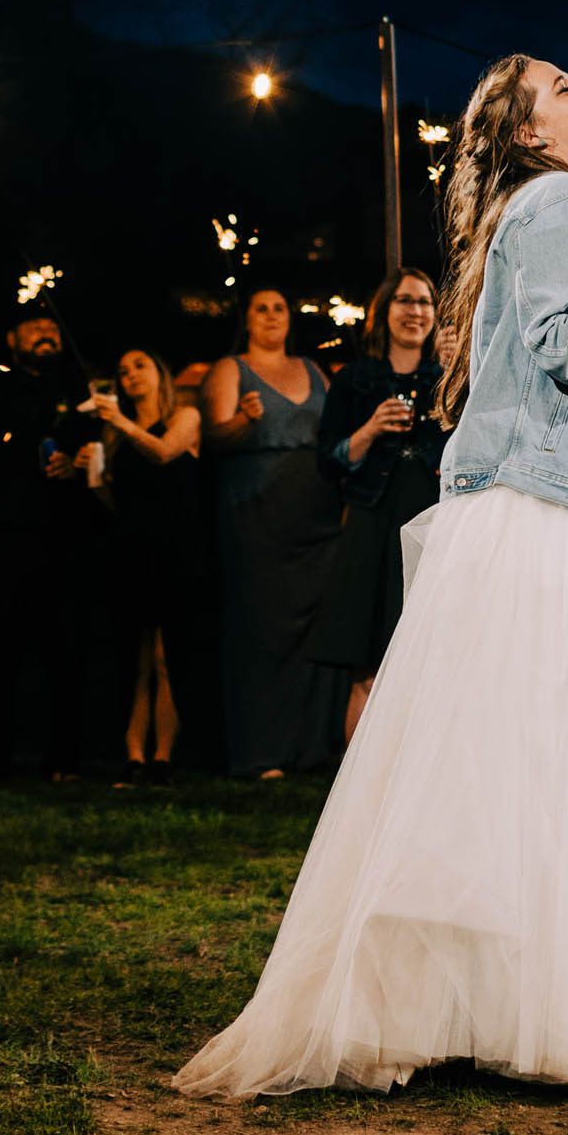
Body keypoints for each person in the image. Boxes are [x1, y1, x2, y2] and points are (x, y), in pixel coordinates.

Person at [174, 52, 568, 1097]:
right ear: (534, 133)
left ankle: (493, 1001)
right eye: (563, 89)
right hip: (561, 511)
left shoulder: (547, 202)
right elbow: (567, 343)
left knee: (509, 771)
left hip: (541, 502)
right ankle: (564, 1007)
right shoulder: (555, 200)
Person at [0, 308, 101, 780]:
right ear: (12, 338)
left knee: (64, 651)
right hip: (2, 534)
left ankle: (64, 761)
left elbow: (96, 448)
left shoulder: (80, 390)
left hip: (63, 537)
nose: (46, 335)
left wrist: (75, 467)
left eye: (53, 329)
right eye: (35, 329)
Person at [200, 289, 346, 778]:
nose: (270, 316)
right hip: (257, 512)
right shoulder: (230, 368)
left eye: (279, 308)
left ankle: (311, 748)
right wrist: (243, 419)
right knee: (259, 630)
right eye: (260, 308)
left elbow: (333, 436)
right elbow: (213, 437)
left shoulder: (312, 368)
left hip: (316, 516)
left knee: (314, 625)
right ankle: (260, 751)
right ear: (247, 319)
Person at [308, 267, 447, 741]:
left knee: (428, 659)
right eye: (405, 301)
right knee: (367, 662)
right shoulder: (354, 380)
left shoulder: (448, 377)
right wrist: (368, 430)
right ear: (383, 311)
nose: (416, 312)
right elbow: (328, 462)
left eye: (425, 302)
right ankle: (359, 799)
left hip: (428, 523)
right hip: (370, 522)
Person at [89, 347, 199, 786]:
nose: (131, 375)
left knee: (167, 654)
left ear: (160, 372)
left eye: (140, 366)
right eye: (123, 371)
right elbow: (112, 499)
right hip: (132, 549)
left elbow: (164, 452)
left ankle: (164, 755)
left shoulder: (185, 417)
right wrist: (93, 475)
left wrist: (117, 420)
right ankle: (133, 754)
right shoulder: (112, 437)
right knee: (135, 656)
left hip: (175, 547)